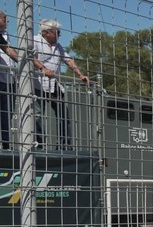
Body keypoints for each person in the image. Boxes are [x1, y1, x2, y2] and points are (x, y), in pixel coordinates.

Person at [32, 19, 88, 149]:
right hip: (38, 84)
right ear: (47, 32)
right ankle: (39, 144)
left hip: (55, 85)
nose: (59, 35)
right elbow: (31, 57)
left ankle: (65, 145)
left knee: (63, 115)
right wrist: (43, 69)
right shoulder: (35, 41)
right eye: (57, 32)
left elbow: (68, 60)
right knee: (37, 116)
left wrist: (80, 74)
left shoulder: (58, 46)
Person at [0, 11, 26, 150]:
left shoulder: (5, 35)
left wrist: (25, 63)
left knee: (7, 114)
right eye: (4, 19)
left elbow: (8, 49)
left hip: (9, 80)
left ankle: (6, 144)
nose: (7, 22)